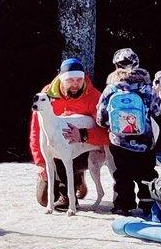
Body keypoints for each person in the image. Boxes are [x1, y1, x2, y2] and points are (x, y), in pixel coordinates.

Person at [30, 58, 108, 209]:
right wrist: (40, 163)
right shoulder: (46, 95)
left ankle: (66, 194)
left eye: (79, 79)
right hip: (56, 147)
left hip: (84, 148)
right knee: (43, 200)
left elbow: (107, 132)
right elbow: (36, 130)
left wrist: (84, 135)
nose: (75, 84)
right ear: (61, 79)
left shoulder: (94, 96)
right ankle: (77, 179)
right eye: (70, 80)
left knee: (61, 148)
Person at [98, 48, 161, 215]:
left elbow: (101, 116)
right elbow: (157, 110)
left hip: (119, 141)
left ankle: (123, 205)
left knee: (122, 173)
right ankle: (149, 204)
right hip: (145, 140)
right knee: (147, 171)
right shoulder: (147, 88)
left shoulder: (111, 88)